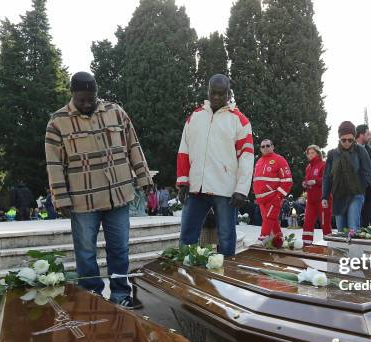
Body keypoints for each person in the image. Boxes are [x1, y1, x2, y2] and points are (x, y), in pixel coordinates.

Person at [45, 71, 153, 309]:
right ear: (72, 94)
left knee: (120, 249)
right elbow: (54, 165)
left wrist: (144, 175)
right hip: (83, 202)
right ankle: (91, 297)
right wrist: (60, 198)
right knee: (85, 252)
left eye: (90, 99)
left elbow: (133, 145)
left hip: (118, 196)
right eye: (81, 99)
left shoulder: (116, 112)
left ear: (97, 93)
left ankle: (120, 294)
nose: (86, 104)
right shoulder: (57, 122)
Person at [176, 74, 254, 256]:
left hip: (225, 190)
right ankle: (185, 277)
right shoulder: (194, 117)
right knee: (187, 237)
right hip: (196, 188)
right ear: (208, 91)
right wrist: (182, 181)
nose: (216, 97)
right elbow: (183, 150)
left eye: (221, 94)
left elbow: (246, 156)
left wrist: (242, 189)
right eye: (213, 93)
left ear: (229, 94)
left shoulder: (239, 120)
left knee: (226, 238)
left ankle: (226, 280)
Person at [322, 121, 371, 231]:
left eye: (350, 140)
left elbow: (368, 173)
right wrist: (324, 196)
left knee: (352, 228)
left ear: (354, 138)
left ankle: (355, 248)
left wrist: (360, 186)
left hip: (356, 194)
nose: (347, 143)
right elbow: (327, 176)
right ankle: (342, 249)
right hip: (338, 196)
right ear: (339, 138)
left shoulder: (360, 151)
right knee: (341, 230)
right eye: (343, 140)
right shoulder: (332, 154)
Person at [253, 139, 293, 247]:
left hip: (273, 196)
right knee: (271, 219)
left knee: (268, 218)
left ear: (272, 146)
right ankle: (279, 240)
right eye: (262, 146)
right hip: (261, 199)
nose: (265, 148)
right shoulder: (259, 161)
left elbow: (288, 181)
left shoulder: (279, 159)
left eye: (267, 145)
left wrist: (278, 196)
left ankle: (262, 238)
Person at [301, 145, 332, 245]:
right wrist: (305, 183)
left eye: (312, 153)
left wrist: (315, 181)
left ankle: (330, 245)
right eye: (308, 153)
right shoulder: (308, 167)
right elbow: (307, 180)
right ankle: (306, 244)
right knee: (307, 222)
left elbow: (328, 180)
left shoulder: (324, 164)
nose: (310, 155)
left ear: (318, 153)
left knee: (325, 223)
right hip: (311, 200)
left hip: (323, 199)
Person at [355, 124, 371, 227]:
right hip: (354, 189)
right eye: (368, 134)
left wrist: (370, 179)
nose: (370, 136)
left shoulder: (369, 150)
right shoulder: (350, 148)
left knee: (368, 215)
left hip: (367, 189)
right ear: (361, 135)